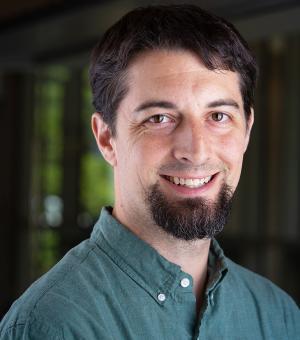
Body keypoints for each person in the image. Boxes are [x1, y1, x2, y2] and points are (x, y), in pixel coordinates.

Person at [1, 4, 299, 340]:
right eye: (159, 118)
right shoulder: (52, 325)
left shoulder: (279, 316)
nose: (196, 150)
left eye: (218, 117)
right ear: (106, 138)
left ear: (246, 130)